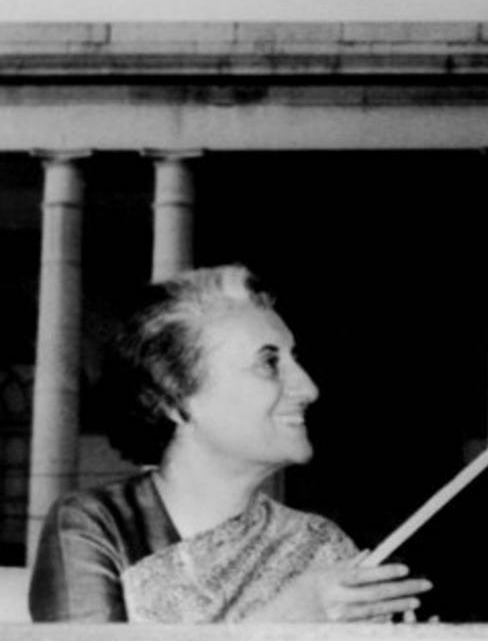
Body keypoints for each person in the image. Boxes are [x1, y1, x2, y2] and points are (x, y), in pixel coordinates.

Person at [28, 265, 431, 622]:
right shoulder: (97, 525)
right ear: (176, 397)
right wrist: (281, 623)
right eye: (270, 363)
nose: (309, 389)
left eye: (295, 360)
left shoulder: (319, 543)